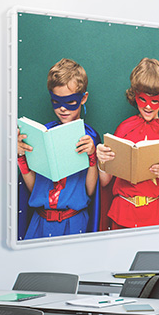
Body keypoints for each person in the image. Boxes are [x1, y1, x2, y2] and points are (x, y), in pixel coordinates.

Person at [17, 58, 100, 239]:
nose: (62, 108)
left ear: (83, 98)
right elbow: (34, 188)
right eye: (56, 101)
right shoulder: (43, 135)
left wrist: (92, 157)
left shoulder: (89, 137)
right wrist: (21, 157)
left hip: (74, 223)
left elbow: (91, 191)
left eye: (70, 101)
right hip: (40, 222)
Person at [96, 58, 159, 229]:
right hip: (122, 212)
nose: (148, 107)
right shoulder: (124, 129)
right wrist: (102, 161)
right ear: (134, 96)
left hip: (156, 214)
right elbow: (105, 182)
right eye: (143, 99)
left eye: (154, 100)